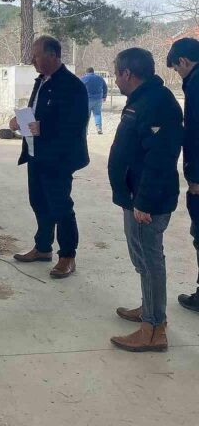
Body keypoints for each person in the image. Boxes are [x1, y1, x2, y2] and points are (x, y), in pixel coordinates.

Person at [108, 48, 183, 352]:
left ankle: (153, 329)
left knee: (151, 261)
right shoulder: (141, 100)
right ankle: (148, 308)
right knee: (142, 259)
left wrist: (144, 202)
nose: (115, 79)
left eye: (117, 73)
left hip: (146, 201)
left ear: (128, 73)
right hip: (134, 197)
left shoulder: (158, 104)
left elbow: (160, 159)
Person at [10, 36, 89, 278]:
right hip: (36, 154)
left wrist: (46, 128)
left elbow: (77, 123)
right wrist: (20, 122)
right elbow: (36, 113)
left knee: (60, 206)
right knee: (39, 202)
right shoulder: (41, 81)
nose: (32, 59)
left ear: (53, 55)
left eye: (37, 55)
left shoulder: (72, 85)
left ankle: (67, 255)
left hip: (58, 157)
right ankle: (43, 247)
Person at [167, 38, 199, 313]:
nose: (179, 75)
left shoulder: (197, 84)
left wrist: (195, 176)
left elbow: (196, 133)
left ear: (184, 62)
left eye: (177, 69)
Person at [81, 67, 108, 134]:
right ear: (93, 72)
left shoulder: (84, 78)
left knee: (86, 115)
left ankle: (85, 131)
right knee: (97, 114)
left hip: (88, 99)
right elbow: (105, 87)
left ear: (87, 72)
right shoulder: (100, 78)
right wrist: (104, 96)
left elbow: (78, 87)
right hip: (98, 99)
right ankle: (99, 128)